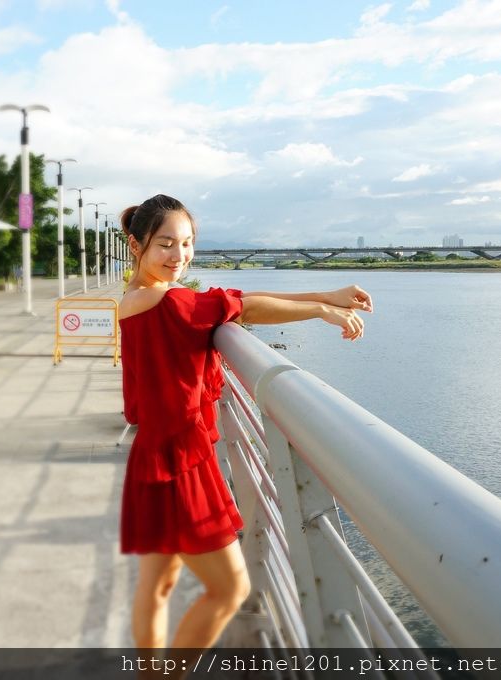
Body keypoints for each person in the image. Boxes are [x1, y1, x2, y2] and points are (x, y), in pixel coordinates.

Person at [118, 194, 372, 653]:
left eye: (187, 243)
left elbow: (239, 302)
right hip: (182, 463)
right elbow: (247, 308)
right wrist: (321, 307)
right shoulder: (171, 301)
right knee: (230, 589)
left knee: (156, 587)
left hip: (152, 456)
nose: (179, 255)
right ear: (137, 246)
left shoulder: (135, 298)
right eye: (165, 244)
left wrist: (325, 297)